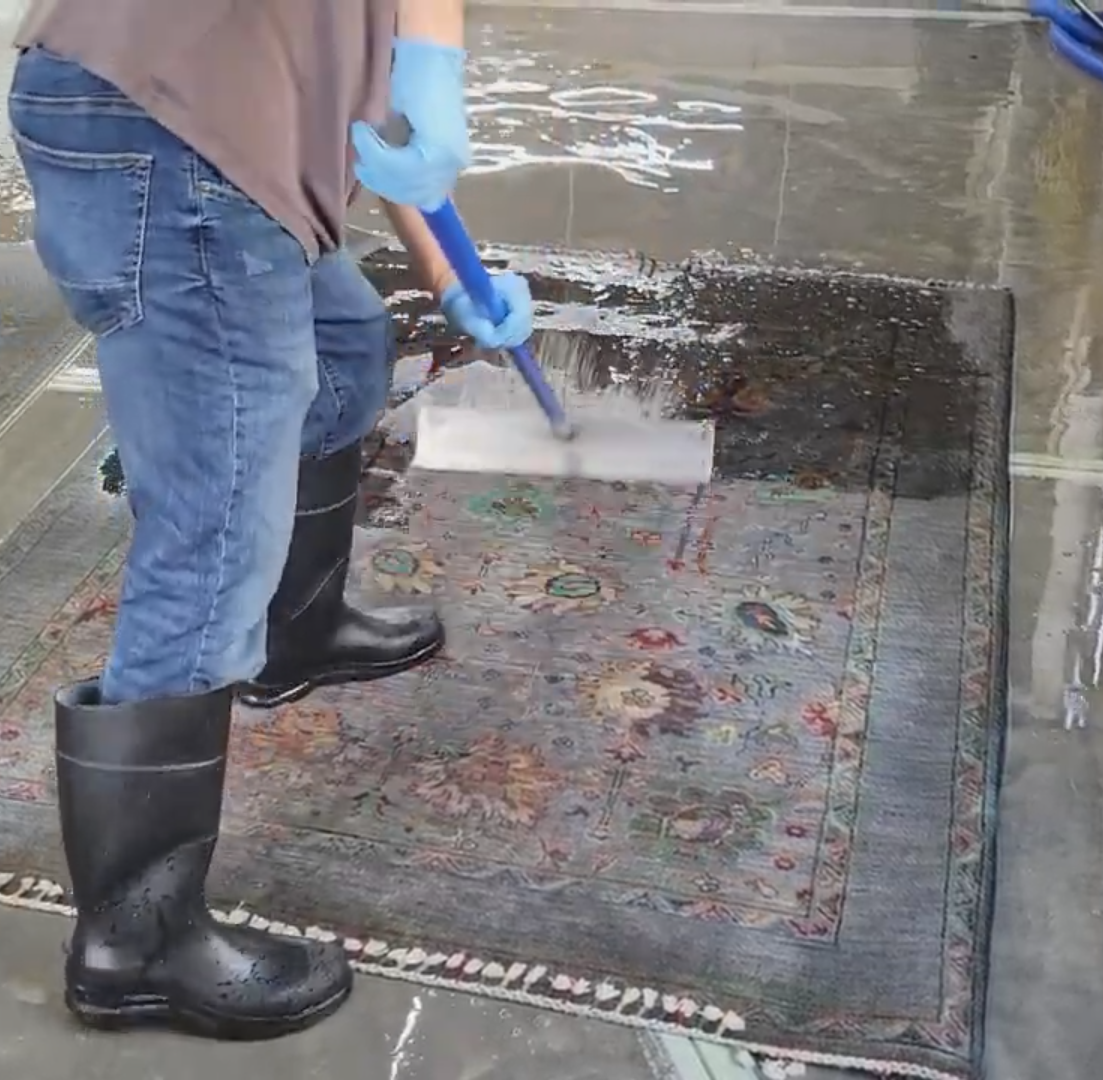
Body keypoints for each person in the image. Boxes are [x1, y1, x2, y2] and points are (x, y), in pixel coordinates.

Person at [6, 0, 532, 1043]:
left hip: (200, 139)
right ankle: (135, 935)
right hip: (177, 143)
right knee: (212, 524)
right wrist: (433, 51)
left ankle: (294, 631)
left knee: (344, 351)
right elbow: (402, 80)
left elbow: (386, 138)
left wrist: (453, 282)